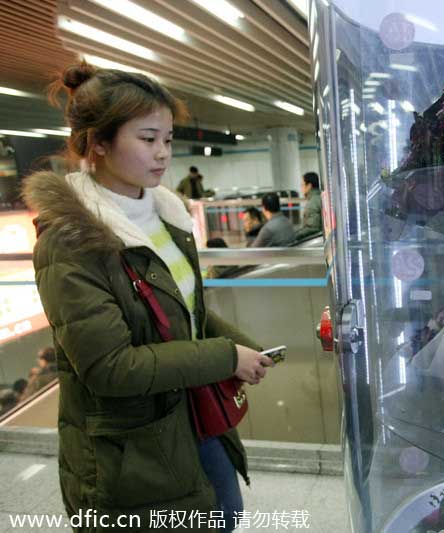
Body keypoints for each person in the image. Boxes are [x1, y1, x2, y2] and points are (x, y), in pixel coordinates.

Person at [22, 62, 275, 532]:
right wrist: (225, 357)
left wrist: (242, 346)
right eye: (147, 138)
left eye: (168, 139)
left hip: (191, 416)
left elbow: (185, 310)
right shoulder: (70, 241)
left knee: (225, 516)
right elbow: (110, 367)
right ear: (99, 143)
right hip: (130, 452)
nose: (163, 153)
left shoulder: (166, 216)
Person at [294, 172, 323, 240]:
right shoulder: (320, 197)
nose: (301, 188)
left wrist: (295, 236)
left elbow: (312, 228)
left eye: (302, 185)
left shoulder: (313, 203)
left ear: (309, 186)